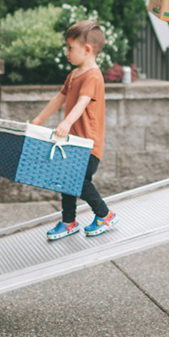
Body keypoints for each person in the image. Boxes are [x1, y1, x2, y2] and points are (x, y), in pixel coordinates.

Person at [31, 20, 118, 240]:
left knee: (78, 181)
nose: (66, 52)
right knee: (65, 179)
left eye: (70, 48)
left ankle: (104, 214)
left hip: (87, 144)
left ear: (87, 50)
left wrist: (67, 122)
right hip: (72, 142)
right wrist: (40, 118)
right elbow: (59, 98)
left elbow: (83, 101)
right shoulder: (74, 75)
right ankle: (69, 222)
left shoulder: (93, 75)